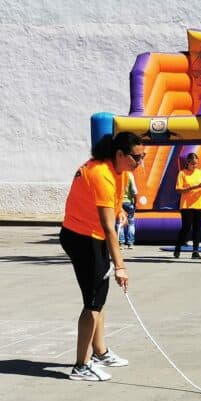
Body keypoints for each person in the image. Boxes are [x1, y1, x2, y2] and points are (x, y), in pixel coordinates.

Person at [59, 131, 144, 381]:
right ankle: (81, 366)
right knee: (93, 302)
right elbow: (108, 229)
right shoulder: (101, 174)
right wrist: (120, 266)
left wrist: (120, 212)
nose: (140, 162)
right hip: (82, 239)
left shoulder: (119, 170)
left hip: (93, 236)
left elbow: (111, 205)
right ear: (120, 154)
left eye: (143, 156)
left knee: (100, 297)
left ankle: (100, 352)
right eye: (136, 157)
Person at [174, 152, 201, 259]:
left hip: (199, 204)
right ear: (188, 163)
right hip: (187, 205)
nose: (195, 165)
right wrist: (194, 187)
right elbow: (178, 189)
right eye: (193, 163)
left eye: (196, 163)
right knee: (186, 227)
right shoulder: (182, 173)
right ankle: (178, 247)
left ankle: (195, 251)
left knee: (197, 228)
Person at [116, 172, 137, 248]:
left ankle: (120, 242)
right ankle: (130, 243)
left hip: (119, 203)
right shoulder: (129, 175)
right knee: (131, 223)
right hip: (129, 202)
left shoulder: (117, 174)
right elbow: (134, 191)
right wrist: (136, 202)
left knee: (119, 223)